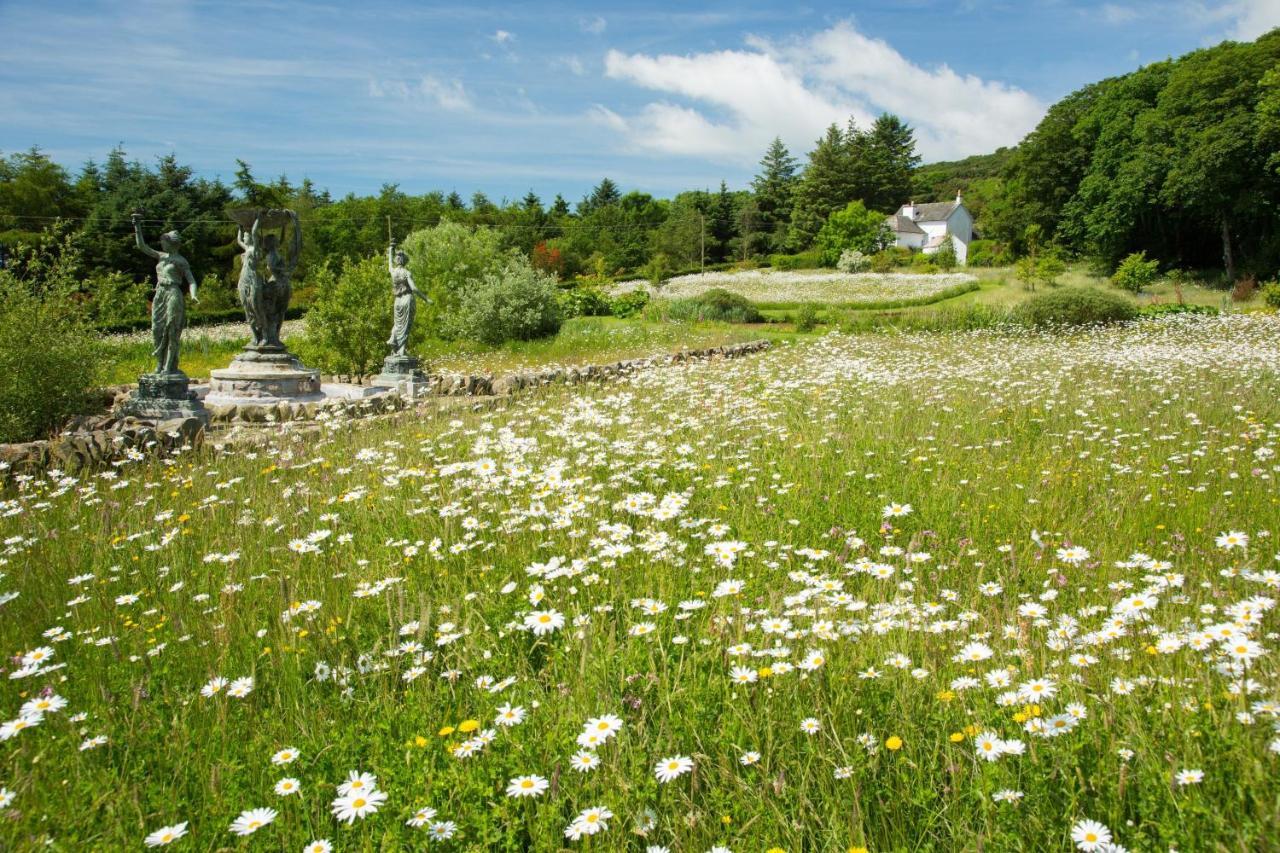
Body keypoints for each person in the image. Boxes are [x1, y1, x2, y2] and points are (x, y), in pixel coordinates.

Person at [132, 213, 197, 374]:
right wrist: (137, 226)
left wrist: (194, 294)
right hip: (160, 293)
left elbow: (192, 281)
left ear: (172, 244)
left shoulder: (181, 261)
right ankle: (159, 364)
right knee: (157, 328)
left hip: (173, 293)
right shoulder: (161, 256)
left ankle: (168, 367)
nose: (161, 244)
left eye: (164, 241)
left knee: (172, 329)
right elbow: (142, 247)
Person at [262, 210, 300, 348]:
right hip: (277, 283)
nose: (278, 240)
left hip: (281, 282)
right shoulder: (272, 254)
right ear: (272, 243)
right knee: (276, 312)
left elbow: (283, 240)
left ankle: (275, 337)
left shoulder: (275, 251)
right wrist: (284, 271)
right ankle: (272, 338)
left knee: (280, 312)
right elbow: (271, 268)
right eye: (275, 239)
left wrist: (284, 225)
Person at [387, 240, 428, 356]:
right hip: (407, 299)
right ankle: (401, 349)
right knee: (406, 325)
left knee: (397, 324)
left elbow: (389, 264)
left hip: (397, 301)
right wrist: (426, 299)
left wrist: (391, 250)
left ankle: (393, 343)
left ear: (397, 261)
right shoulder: (406, 273)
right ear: (405, 261)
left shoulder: (393, 272)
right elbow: (414, 289)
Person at [237, 216, 266, 347]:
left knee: (256, 306)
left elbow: (254, 233)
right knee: (246, 308)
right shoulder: (246, 248)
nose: (244, 238)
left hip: (254, 279)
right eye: (244, 236)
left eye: (246, 236)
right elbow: (238, 240)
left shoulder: (255, 249)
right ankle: (254, 336)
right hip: (243, 279)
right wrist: (240, 227)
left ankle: (264, 335)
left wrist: (258, 219)